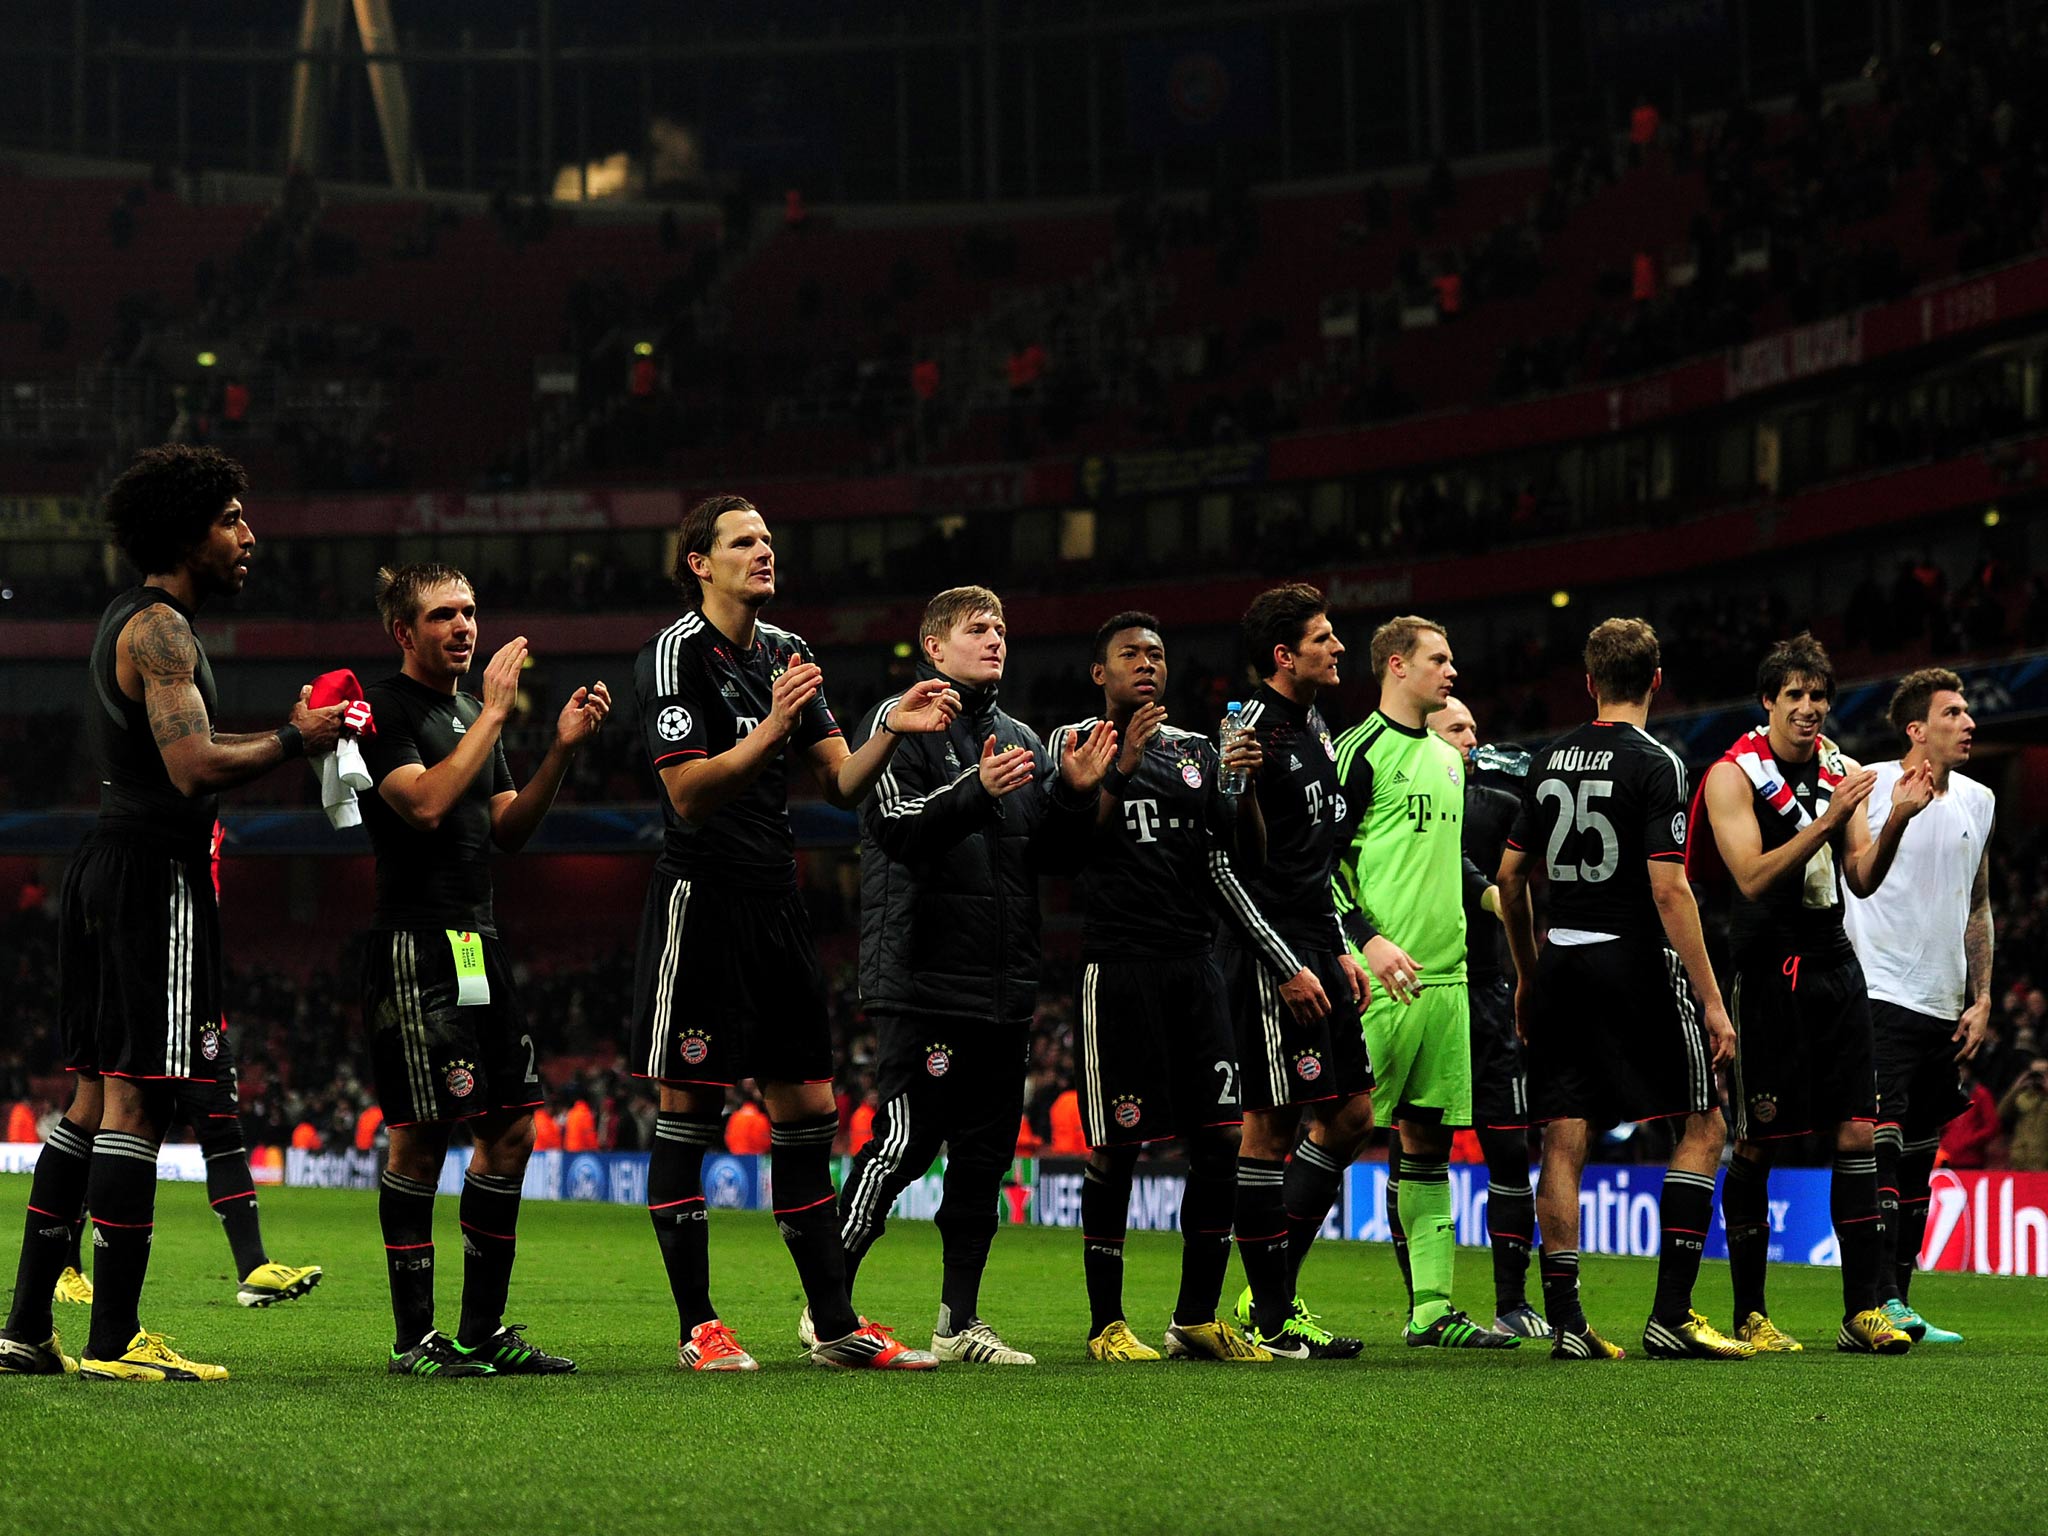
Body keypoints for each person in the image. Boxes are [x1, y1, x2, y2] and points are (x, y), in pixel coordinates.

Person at [0, 444, 345, 1381]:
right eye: (233, 518)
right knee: (139, 1097)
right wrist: (294, 737)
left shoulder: (135, 621)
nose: (248, 536)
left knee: (87, 1096)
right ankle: (113, 1339)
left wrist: (283, 734)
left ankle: (28, 1330)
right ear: (188, 529)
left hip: (106, 867)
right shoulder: (164, 632)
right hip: (157, 875)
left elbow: (177, 746)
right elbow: (192, 768)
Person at [631, 496, 957, 1373]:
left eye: (771, 539)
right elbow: (689, 793)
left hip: (778, 904)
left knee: (809, 1107)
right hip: (701, 903)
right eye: (744, 541)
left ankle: (836, 1322)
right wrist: (774, 722)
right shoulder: (674, 655)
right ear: (699, 561)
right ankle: (699, 1325)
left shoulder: (790, 653)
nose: (765, 551)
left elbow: (841, 784)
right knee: (689, 1109)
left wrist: (891, 724)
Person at [834, 584, 1112, 1366]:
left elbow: (1047, 859)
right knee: (906, 1141)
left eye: (1001, 628)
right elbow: (892, 826)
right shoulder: (899, 724)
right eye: (977, 628)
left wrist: (1076, 799)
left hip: (1002, 983)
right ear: (933, 647)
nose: (995, 639)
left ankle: (959, 1322)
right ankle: (830, 1305)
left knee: (985, 1160)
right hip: (924, 976)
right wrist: (974, 789)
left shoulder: (1020, 735)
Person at [1053, 611, 1333, 1363]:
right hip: (1118, 969)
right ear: (1099, 673)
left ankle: (1195, 1317)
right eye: (1129, 654)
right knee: (1118, 1147)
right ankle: (1106, 1324)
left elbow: (1242, 855)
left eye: (1157, 652)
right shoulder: (1074, 743)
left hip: (1195, 967)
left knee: (1218, 1140)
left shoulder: (1197, 753)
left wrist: (1239, 786)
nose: (1146, 663)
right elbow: (1069, 849)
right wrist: (1115, 769)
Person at [357, 561, 609, 1378]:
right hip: (416, 946)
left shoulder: (471, 710)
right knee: (422, 1138)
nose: (464, 627)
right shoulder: (382, 711)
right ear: (404, 631)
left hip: (478, 942)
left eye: (470, 612)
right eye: (442, 616)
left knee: (511, 1131)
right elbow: (425, 804)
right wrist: (498, 713)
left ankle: (479, 1332)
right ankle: (413, 1341)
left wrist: (560, 753)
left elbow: (507, 827)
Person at [1497, 618, 1746, 1361]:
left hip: (1561, 959)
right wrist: (1711, 999)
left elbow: (1511, 878)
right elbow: (1670, 889)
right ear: (1656, 679)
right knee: (1703, 1124)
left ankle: (1568, 1325)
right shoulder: (1658, 762)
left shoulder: (1545, 761)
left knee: (1563, 1135)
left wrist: (1527, 972)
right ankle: (1671, 1314)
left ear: (1589, 682)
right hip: (1631, 961)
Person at [1695, 632, 1930, 1355]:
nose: (1808, 708)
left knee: (1858, 1130)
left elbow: (1860, 876)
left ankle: (1861, 1311)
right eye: (1793, 695)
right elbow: (1750, 878)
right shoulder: (1733, 776)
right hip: (1768, 970)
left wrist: (1895, 820)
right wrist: (1828, 821)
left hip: (1834, 964)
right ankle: (1751, 1315)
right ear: (1768, 702)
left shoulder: (1842, 770)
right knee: (1758, 1142)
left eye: (1818, 696)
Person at [1333, 615, 1517, 1351]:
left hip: (1447, 984)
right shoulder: (1358, 752)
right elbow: (1322, 864)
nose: (1452, 670)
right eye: (1440, 659)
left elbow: (1454, 873)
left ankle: (1433, 1308)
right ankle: (1266, 1299)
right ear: (1397, 666)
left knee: (1428, 1145)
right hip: (1381, 981)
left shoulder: (1447, 761)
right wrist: (1365, 938)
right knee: (1336, 1132)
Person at [56, 819, 326, 1316]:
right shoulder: (149, 820)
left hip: (198, 1006)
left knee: (221, 1132)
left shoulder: (207, 814)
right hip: (142, 1005)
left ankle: (253, 1269)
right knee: (111, 1127)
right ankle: (69, 1267)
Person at [1223, 585, 1375, 1359]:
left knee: (1352, 1115)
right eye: (1324, 637)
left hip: (1318, 940)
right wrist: (1283, 962)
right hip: (1268, 953)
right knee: (1271, 1125)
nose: (1339, 646)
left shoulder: (1313, 727)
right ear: (1284, 656)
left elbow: (1311, 860)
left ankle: (1269, 1296)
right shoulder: (1246, 730)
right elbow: (1225, 864)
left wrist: (1342, 944)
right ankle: (1274, 1317)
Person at [1843, 667, 1993, 1344]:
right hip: (1879, 994)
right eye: (1953, 712)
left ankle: (1901, 1300)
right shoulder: (1868, 785)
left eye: (1967, 712)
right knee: (1882, 1150)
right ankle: (1873, 1302)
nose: (1968, 723)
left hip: (1942, 1005)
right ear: (1916, 729)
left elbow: (1979, 904)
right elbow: (1858, 875)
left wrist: (1982, 996)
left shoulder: (1981, 802)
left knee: (1922, 1162)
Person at [1427, 697, 1546, 1338]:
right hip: (1424, 986)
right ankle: (1428, 1300)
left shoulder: (1500, 797)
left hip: (1487, 989)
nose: (1473, 737)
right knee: (1423, 1149)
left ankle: (1510, 1302)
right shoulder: (1407, 798)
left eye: (1474, 725)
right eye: (1457, 728)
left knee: (1507, 1143)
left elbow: (1534, 863)